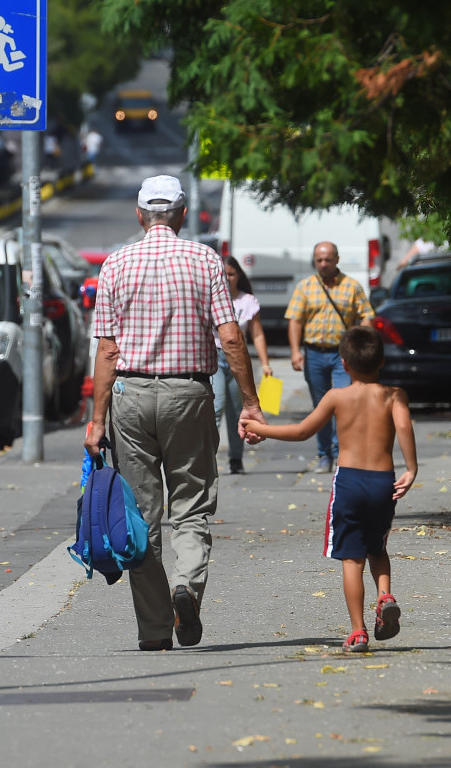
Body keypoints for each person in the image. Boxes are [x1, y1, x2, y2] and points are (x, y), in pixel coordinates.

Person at [84, 175, 266, 652]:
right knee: (192, 504)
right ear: (182, 215)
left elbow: (107, 350)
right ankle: (186, 583)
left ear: (140, 215)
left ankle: (154, 630)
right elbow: (230, 336)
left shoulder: (116, 263)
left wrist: (97, 420)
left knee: (141, 516)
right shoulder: (205, 260)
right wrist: (251, 402)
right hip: (189, 393)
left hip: (129, 395)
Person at [241, 326, 417, 652]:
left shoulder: (336, 396)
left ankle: (358, 631)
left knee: (352, 559)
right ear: (381, 361)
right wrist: (411, 468)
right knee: (377, 547)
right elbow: (404, 425)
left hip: (349, 482)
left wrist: (260, 428)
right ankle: (385, 596)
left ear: (344, 363)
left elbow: (302, 431)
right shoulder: (395, 395)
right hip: (383, 483)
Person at [285, 241, 375, 474]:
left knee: (344, 404)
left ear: (337, 260)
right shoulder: (305, 287)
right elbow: (295, 320)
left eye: (327, 259)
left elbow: (367, 316)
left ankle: (341, 454)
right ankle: (324, 455)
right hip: (314, 354)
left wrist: (361, 344)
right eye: (319, 260)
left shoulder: (351, 286)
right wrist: (295, 351)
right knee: (321, 407)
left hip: (342, 355)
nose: (323, 264)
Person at [212, 256, 272, 474]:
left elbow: (257, 335)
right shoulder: (210, 298)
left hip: (238, 359)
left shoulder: (247, 301)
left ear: (239, 276)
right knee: (216, 406)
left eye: (231, 274)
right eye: (224, 274)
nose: (227, 278)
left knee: (238, 410)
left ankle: (236, 459)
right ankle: (208, 459)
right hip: (215, 357)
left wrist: (265, 364)